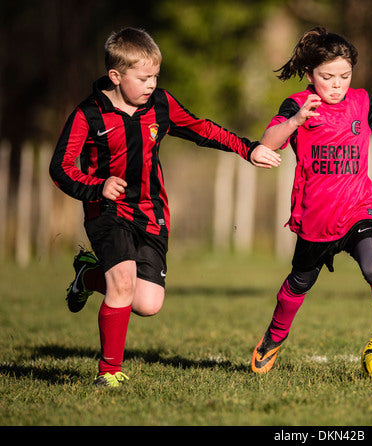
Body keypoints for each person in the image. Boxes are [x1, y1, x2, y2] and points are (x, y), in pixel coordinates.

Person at [49, 27, 281, 388]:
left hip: (151, 212)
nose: (151, 84)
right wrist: (98, 187)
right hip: (106, 212)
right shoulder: (88, 115)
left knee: (147, 302)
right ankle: (108, 373)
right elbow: (60, 168)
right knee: (123, 284)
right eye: (143, 78)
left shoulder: (160, 104)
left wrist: (247, 148)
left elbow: (201, 129)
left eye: (156, 76)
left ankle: (88, 276)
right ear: (115, 76)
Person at [250, 27, 372, 374]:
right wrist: (295, 122)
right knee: (299, 281)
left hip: (359, 209)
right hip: (316, 218)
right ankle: (273, 339)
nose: (337, 84)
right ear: (310, 75)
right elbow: (267, 141)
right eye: (328, 77)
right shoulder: (298, 105)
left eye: (344, 75)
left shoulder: (361, 102)